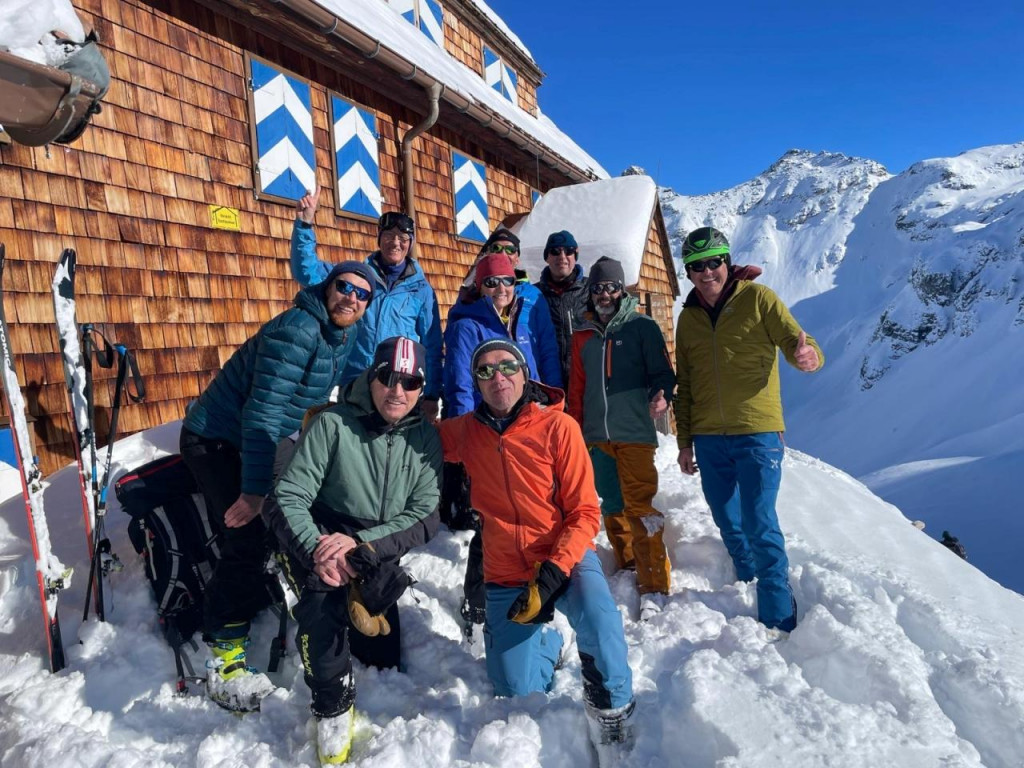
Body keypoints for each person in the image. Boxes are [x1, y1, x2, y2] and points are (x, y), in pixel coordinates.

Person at [179, 261, 374, 711]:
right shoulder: (300, 329)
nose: (351, 298)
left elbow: (337, 393)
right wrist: (252, 492)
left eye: (361, 294)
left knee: (291, 512)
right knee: (244, 533)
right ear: (328, 289)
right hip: (216, 439)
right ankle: (224, 653)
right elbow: (262, 413)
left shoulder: (340, 335)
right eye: (344, 287)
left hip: (265, 436)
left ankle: (266, 587)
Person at [439, 339, 636, 757]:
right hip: (505, 568)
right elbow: (409, 432)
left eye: (507, 366)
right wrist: (342, 414)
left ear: (525, 373)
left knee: (601, 623)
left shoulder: (558, 428)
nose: (498, 377)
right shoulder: (466, 433)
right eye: (485, 371)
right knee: (514, 692)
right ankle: (548, 646)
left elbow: (585, 512)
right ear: (475, 382)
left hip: (562, 556)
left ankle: (612, 711)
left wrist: (553, 570)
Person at [265, 336, 441, 764]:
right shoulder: (334, 423)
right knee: (321, 608)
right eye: (387, 378)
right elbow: (287, 497)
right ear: (371, 377)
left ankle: (350, 594)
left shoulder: (425, 439)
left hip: (375, 543)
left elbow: (425, 516)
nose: (397, 391)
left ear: (421, 387)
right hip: (324, 532)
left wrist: (362, 549)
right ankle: (331, 703)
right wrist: (319, 551)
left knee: (380, 656)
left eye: (410, 381)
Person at [674, 226, 824, 633]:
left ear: (728, 262)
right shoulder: (687, 319)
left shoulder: (759, 299)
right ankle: (748, 579)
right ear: (687, 272)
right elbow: (684, 384)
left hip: (757, 431)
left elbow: (798, 343)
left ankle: (777, 614)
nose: (707, 272)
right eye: (696, 266)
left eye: (713, 262)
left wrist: (807, 356)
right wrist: (684, 441)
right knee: (727, 518)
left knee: (759, 520)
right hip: (707, 436)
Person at [441, 230, 562, 639]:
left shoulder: (526, 309)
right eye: (490, 282)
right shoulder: (466, 324)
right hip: (485, 428)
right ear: (480, 284)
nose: (499, 289)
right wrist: (462, 442)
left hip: (529, 424)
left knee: (531, 511)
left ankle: (535, 587)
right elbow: (459, 384)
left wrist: (551, 405)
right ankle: (479, 601)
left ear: (516, 282)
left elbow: (542, 360)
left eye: (506, 281)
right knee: (490, 520)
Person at [569, 256, 676, 615]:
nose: (605, 294)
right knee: (612, 504)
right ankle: (629, 563)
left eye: (612, 287)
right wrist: (577, 432)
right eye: (598, 288)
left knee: (641, 507)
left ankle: (654, 586)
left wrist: (661, 394)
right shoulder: (583, 336)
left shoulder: (642, 327)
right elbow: (577, 389)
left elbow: (663, 372)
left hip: (634, 433)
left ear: (622, 289)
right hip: (597, 436)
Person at [290, 187, 443, 422]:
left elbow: (431, 345)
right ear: (379, 238)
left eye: (403, 238)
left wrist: (431, 394)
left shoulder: (421, 291)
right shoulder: (358, 278)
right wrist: (305, 225)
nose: (395, 243)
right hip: (356, 382)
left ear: (410, 243)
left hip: (398, 386)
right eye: (389, 236)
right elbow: (307, 272)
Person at [534, 230, 589, 394]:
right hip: (547, 384)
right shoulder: (534, 295)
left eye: (569, 251)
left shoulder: (592, 290)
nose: (562, 256)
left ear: (575, 255)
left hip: (586, 381)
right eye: (555, 251)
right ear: (547, 257)